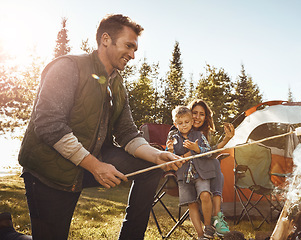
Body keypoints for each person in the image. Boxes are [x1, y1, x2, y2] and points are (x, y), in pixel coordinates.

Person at [17, 14, 181, 240]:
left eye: (135, 49)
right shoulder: (67, 67)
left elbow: (127, 133)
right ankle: (7, 232)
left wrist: (156, 155)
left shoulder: (117, 83)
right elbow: (48, 124)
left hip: (91, 158)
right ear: (106, 39)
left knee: (150, 169)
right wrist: (95, 166)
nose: (133, 55)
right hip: (49, 172)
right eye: (129, 46)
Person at [166, 106, 217, 240]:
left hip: (201, 173)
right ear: (175, 124)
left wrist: (197, 149)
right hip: (183, 176)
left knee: (205, 195)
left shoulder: (198, 135)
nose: (183, 125)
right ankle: (201, 236)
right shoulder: (173, 137)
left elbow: (209, 152)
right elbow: (168, 158)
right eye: (180, 123)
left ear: (191, 121)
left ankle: (208, 227)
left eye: (187, 122)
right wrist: (170, 151)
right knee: (192, 204)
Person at [188, 99, 235, 237]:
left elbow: (209, 153)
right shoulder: (181, 128)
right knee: (214, 164)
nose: (197, 117)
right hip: (189, 175)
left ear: (206, 117)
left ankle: (217, 216)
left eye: (201, 114)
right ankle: (216, 217)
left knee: (215, 163)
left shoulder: (203, 134)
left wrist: (227, 139)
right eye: (194, 113)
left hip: (205, 174)